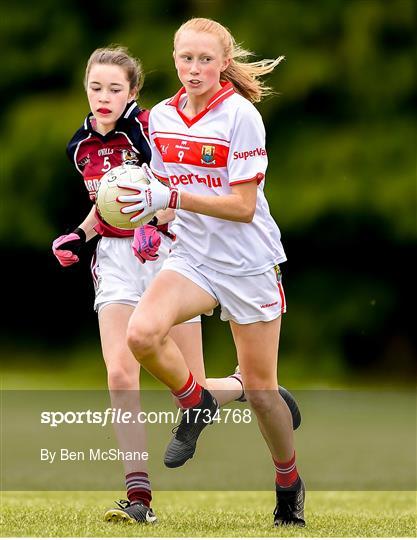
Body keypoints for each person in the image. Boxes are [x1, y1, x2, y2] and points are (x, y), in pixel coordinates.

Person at [52, 45, 301, 526]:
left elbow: (170, 190)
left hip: (170, 252)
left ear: (133, 93)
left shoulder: (152, 126)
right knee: (120, 373)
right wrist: (80, 235)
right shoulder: (79, 146)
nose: (104, 97)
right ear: (85, 88)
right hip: (116, 261)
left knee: (189, 388)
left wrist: (158, 223)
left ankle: (244, 389)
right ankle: (139, 499)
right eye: (95, 87)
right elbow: (107, 202)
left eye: (115, 88)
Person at [118, 18, 306, 527]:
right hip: (192, 258)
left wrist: (170, 196)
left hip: (248, 264)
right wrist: (150, 219)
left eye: (205, 59)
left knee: (264, 392)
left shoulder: (241, 116)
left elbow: (243, 206)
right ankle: (197, 401)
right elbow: (163, 186)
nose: (194, 68)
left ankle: (288, 481)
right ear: (174, 57)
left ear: (224, 62)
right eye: (185, 58)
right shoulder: (159, 116)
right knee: (142, 333)